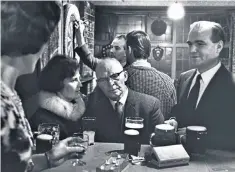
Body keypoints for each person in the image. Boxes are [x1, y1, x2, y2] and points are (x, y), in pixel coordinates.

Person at [1, 2, 84, 172]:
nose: (46, 46)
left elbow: (15, 164)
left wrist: (48, 158)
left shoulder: (11, 93)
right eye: (46, 38)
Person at [75, 22, 176, 119]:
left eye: (122, 48)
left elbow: (93, 103)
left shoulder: (118, 79)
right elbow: (173, 117)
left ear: (129, 50)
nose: (112, 51)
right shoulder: (167, 81)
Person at [167, 21, 235, 150]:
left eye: (200, 44)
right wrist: (174, 120)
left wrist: (194, 136)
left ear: (219, 47)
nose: (192, 50)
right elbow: (180, 111)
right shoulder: (184, 78)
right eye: (190, 44)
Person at [83, 58, 164, 144]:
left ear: (125, 76)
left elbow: (161, 145)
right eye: (103, 80)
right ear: (98, 83)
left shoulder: (150, 106)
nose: (110, 83)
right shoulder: (90, 105)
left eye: (114, 76)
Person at [29, 55, 85, 139]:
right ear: (58, 83)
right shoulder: (42, 121)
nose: (80, 84)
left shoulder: (79, 107)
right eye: (74, 80)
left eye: (79, 79)